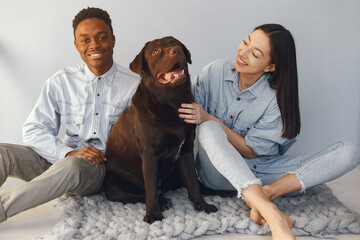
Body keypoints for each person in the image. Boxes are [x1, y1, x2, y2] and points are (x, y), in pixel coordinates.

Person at [178, 23, 360, 239]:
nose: (243, 53)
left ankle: (266, 194)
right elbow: (185, 101)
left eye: (255, 54)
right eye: (246, 42)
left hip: (263, 172)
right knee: (208, 128)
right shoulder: (215, 72)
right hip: (218, 174)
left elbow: (251, 152)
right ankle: (273, 214)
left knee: (351, 150)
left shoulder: (275, 99)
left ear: (270, 66)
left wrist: (208, 117)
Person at [0, 7, 139, 222]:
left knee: (72, 166)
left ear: (113, 40)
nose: (94, 45)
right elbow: (33, 129)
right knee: (3, 153)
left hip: (97, 170)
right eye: (85, 40)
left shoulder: (134, 87)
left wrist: (73, 159)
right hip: (61, 158)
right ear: (76, 45)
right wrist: (65, 153)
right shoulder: (60, 81)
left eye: (101, 37)